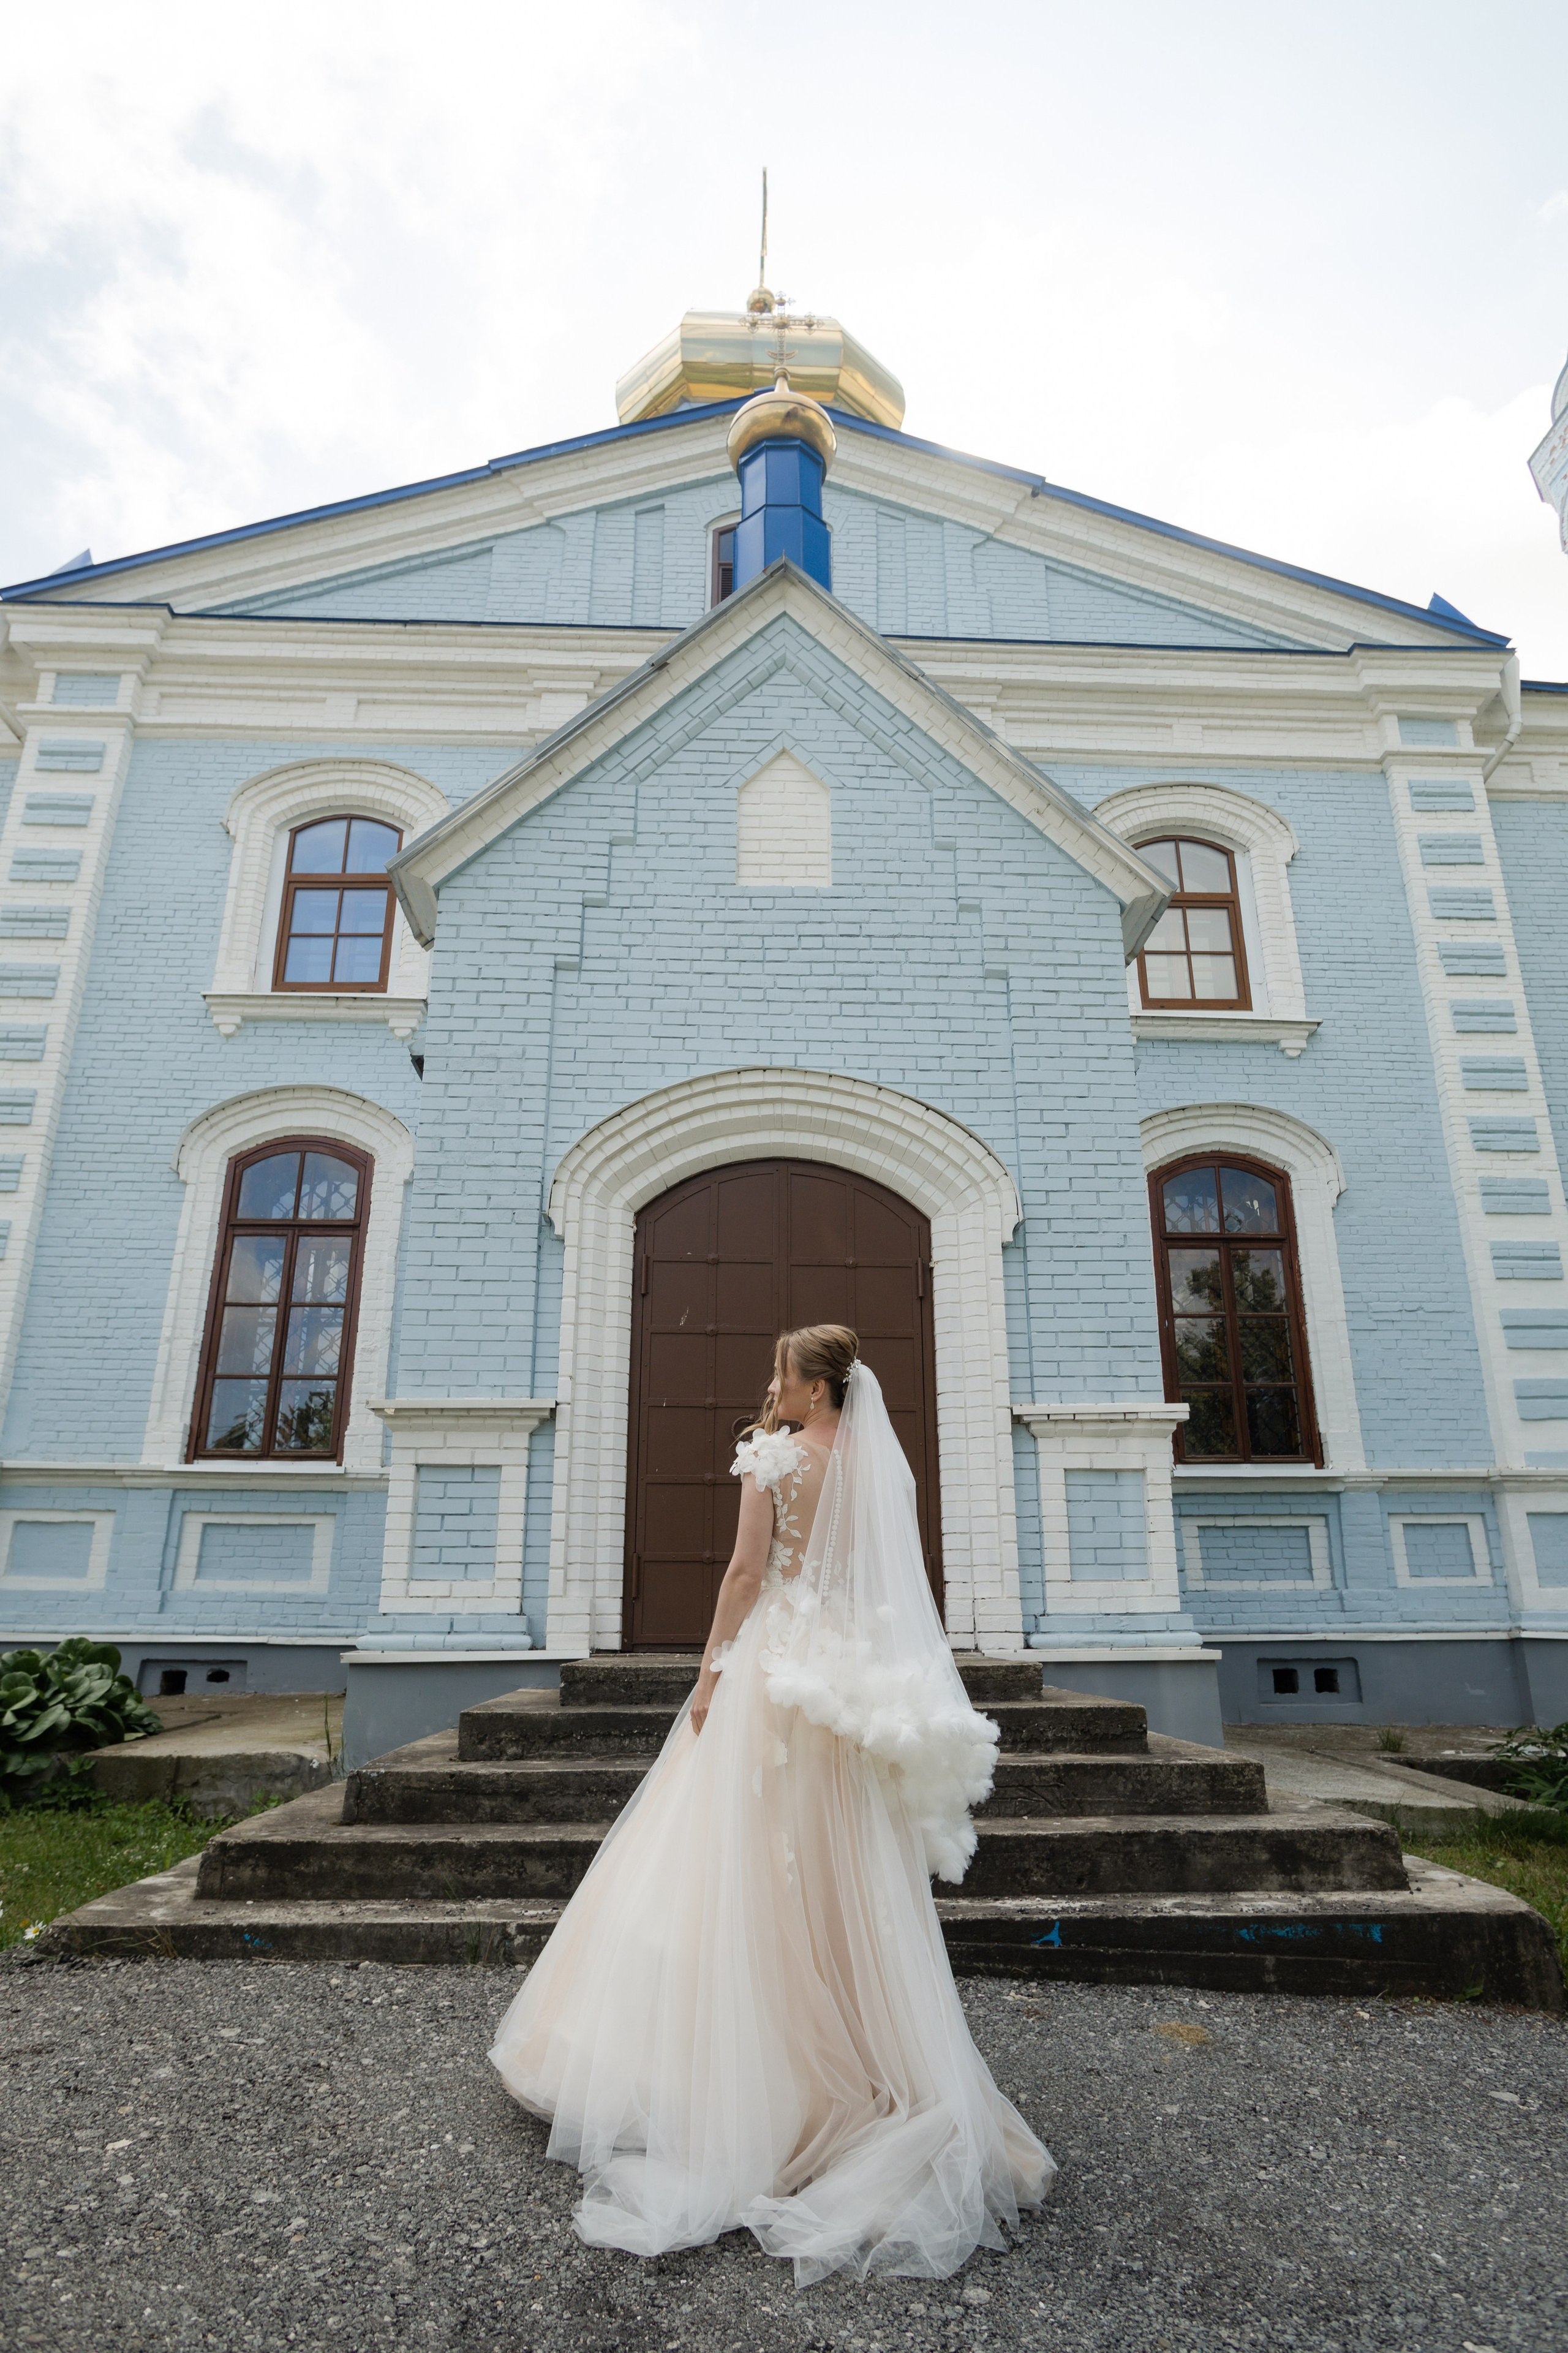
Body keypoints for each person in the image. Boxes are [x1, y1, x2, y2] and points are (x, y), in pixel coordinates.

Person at [489, 1322, 1054, 2282]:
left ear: (819, 1388)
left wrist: (709, 1671)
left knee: (739, 1861)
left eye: (784, 1372)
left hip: (773, 1678)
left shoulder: (774, 1456)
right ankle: (866, 2063)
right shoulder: (876, 1469)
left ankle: (747, 2086)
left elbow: (748, 1574)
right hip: (842, 1687)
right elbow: (879, 1583)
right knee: (835, 1872)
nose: (771, 1383)